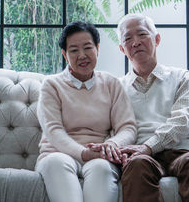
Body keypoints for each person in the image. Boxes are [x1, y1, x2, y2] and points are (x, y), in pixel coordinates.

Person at [115, 14, 189, 202]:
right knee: (136, 165)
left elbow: (185, 121)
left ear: (157, 39)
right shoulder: (117, 88)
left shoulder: (182, 78)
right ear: (122, 48)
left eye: (142, 34)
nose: (135, 42)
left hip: (183, 150)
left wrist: (149, 146)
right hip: (141, 157)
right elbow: (114, 127)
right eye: (128, 38)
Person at [35, 21, 137, 202]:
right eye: (73, 50)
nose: (82, 55)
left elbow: (128, 127)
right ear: (65, 55)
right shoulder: (51, 85)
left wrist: (111, 144)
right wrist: (83, 153)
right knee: (57, 163)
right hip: (57, 154)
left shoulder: (111, 83)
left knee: (102, 168)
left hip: (99, 157)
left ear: (97, 48)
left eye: (88, 47)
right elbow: (53, 130)